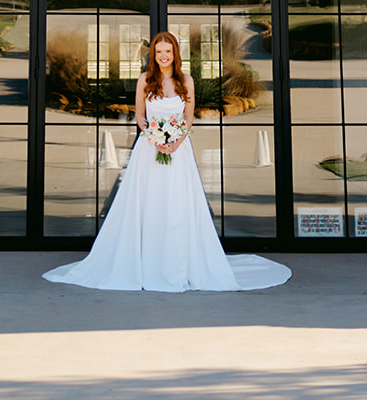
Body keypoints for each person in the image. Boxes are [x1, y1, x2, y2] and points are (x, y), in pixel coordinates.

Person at [42, 31, 291, 292]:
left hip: (178, 152)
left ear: (175, 54)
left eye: (167, 52)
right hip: (148, 151)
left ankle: (178, 262)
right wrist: (153, 136)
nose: (163, 56)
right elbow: (139, 115)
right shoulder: (144, 81)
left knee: (176, 202)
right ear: (153, 55)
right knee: (147, 202)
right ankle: (143, 260)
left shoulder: (186, 81)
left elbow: (188, 118)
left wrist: (174, 143)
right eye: (158, 52)